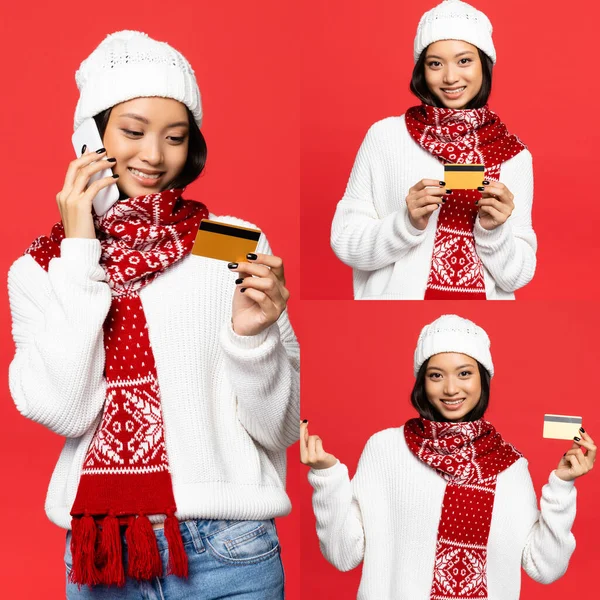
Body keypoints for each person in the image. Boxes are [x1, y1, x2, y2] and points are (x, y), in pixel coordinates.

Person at [7, 30, 299, 599]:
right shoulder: (44, 268)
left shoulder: (223, 240)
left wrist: (253, 337)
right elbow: (65, 408)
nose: (153, 156)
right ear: (90, 134)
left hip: (230, 548)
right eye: (133, 132)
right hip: (105, 555)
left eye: (175, 137)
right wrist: (81, 250)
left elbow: (278, 428)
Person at [300, 315, 595, 599]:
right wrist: (327, 476)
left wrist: (562, 486)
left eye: (464, 373)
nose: (451, 389)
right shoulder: (386, 449)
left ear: (483, 379)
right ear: (422, 383)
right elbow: (343, 555)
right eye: (436, 375)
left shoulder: (508, 465)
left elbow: (546, 568)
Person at [330, 0, 537, 300]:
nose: (450, 77)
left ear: (485, 64)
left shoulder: (512, 155)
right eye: (435, 63)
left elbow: (518, 276)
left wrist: (494, 232)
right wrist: (406, 222)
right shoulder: (386, 137)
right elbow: (345, 241)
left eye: (464, 61)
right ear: (422, 70)